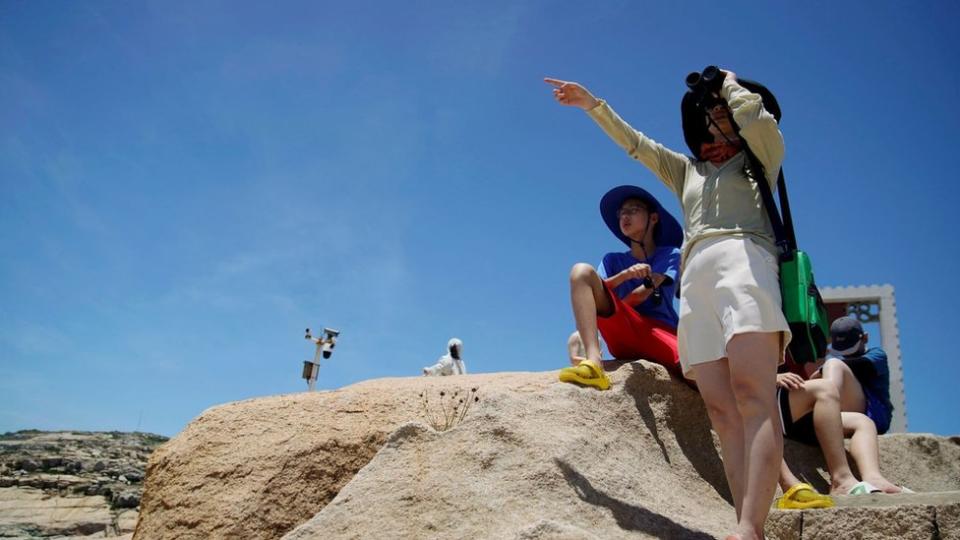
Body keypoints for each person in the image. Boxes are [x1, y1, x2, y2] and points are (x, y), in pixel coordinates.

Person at [546, 68, 789, 540]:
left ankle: (751, 529)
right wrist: (593, 105)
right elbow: (637, 145)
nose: (717, 118)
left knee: (754, 396)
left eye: (724, 113)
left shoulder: (761, 158)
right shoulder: (688, 171)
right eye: (711, 113)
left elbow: (758, 122)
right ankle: (744, 524)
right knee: (721, 409)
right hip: (697, 276)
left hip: (746, 259)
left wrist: (731, 85)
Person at [559, 185, 683, 390]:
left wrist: (614, 301)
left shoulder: (670, 254)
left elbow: (641, 295)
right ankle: (594, 363)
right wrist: (625, 275)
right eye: (622, 212)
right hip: (623, 333)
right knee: (580, 271)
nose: (625, 216)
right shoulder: (612, 260)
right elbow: (594, 290)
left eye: (634, 210)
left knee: (697, 371)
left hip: (658, 331)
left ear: (653, 218)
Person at [775, 316, 905, 504]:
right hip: (786, 407)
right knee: (854, 414)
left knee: (859, 415)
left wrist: (819, 374)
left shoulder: (877, 355)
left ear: (865, 338)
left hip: (873, 411)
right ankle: (856, 478)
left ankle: (874, 477)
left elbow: (851, 367)